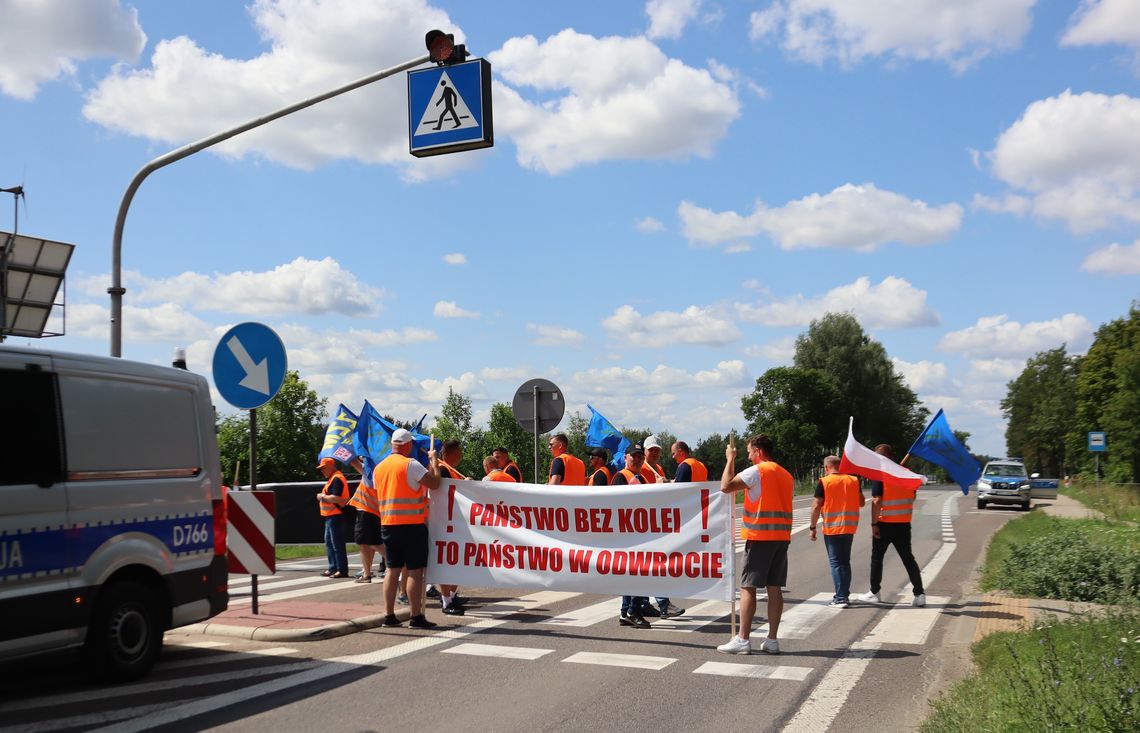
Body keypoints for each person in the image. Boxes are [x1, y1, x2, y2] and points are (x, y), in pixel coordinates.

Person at [717, 435, 793, 655]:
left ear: (758, 451)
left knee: (748, 587)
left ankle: (742, 639)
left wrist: (730, 459)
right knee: (774, 587)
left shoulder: (757, 471)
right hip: (781, 537)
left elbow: (725, 486)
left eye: (749, 451)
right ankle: (772, 640)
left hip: (760, 536)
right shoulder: (785, 474)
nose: (748, 456)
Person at [375, 428, 442, 629]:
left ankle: (388, 615)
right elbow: (435, 483)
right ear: (407, 445)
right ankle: (415, 616)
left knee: (392, 570)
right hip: (412, 525)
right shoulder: (410, 465)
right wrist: (434, 462)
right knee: (414, 572)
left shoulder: (379, 468)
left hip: (388, 524)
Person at [856, 444, 926, 607]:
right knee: (908, 559)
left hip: (884, 523)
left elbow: (877, 500)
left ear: (881, 457)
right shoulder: (907, 473)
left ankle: (874, 592)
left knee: (877, 558)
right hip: (903, 523)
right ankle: (919, 594)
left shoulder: (880, 475)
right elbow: (913, 497)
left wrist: (874, 523)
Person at [809, 455, 864, 607]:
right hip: (849, 527)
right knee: (845, 562)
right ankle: (844, 595)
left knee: (836, 563)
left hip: (832, 528)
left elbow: (816, 506)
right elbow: (862, 502)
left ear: (826, 467)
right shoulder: (853, 480)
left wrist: (812, 527)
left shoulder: (825, 481)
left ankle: (840, 598)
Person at [611, 445, 656, 628]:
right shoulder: (621, 477)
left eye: (639, 456)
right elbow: (616, 503)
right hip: (627, 533)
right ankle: (633, 611)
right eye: (633, 456)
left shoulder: (642, 477)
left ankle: (626, 612)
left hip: (639, 532)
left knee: (634, 572)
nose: (637, 459)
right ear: (625, 457)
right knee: (636, 573)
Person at [433, 440, 468, 615]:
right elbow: (447, 493)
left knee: (456, 561)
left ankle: (451, 597)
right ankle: (447, 600)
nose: (461, 456)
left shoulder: (446, 468)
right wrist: (466, 486)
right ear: (451, 454)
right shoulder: (442, 468)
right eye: (459, 453)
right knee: (448, 561)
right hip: (445, 522)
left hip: (451, 521)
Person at [347, 457, 384, 583]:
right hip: (374, 511)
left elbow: (352, 461)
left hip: (366, 510)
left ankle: (367, 574)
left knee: (365, 543)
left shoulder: (370, 470)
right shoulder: (381, 470)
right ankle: (367, 572)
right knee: (374, 543)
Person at [316, 458, 351, 579]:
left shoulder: (337, 478)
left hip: (336, 515)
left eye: (323, 468)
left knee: (337, 544)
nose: (322, 471)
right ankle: (333, 568)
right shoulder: (334, 478)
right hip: (331, 515)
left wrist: (322, 497)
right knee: (330, 543)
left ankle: (341, 570)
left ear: (331, 466)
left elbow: (336, 498)